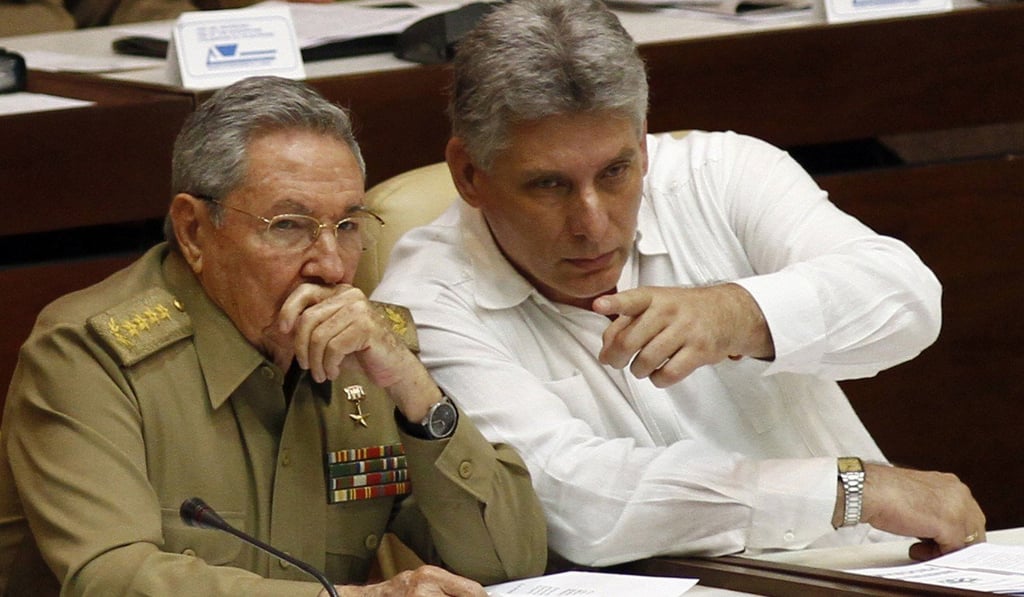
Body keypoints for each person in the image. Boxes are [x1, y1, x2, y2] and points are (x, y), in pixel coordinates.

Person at [372, 0, 986, 568]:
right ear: (468, 173)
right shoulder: (425, 300)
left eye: (616, 171)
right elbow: (570, 500)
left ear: (643, 145)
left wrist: (740, 313)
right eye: (549, 185)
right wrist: (846, 489)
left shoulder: (720, 174)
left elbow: (906, 300)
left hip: (867, 564)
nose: (592, 223)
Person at [0, 75, 546, 595]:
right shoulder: (87, 357)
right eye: (288, 226)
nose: (332, 267)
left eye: (348, 226)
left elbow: (507, 562)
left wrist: (415, 391)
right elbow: (110, 579)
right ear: (194, 231)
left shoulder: (370, 356)